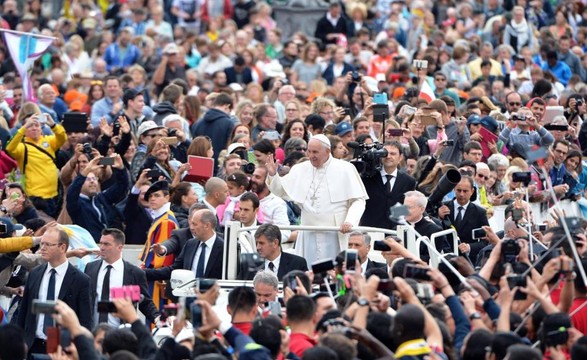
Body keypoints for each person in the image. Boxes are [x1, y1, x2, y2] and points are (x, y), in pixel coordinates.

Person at [266, 135, 368, 264]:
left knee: (336, 271)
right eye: (309, 151)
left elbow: (358, 200)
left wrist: (350, 221)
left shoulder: (345, 169)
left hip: (336, 233)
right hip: (308, 234)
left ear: (327, 151)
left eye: (315, 152)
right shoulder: (300, 168)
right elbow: (281, 191)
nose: (311, 156)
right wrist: (272, 175)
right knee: (307, 271)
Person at [16, 227, 93, 355]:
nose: (42, 248)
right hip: (33, 344)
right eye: (42, 244)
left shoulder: (81, 280)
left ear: (62, 247)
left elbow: (85, 320)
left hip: (61, 347)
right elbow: (24, 311)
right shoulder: (35, 273)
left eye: (48, 244)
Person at [84, 228, 159, 326]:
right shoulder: (90, 268)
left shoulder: (133, 273)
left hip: (121, 334)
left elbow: (144, 302)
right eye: (101, 243)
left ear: (119, 247)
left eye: (106, 244)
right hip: (93, 333)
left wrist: (157, 318)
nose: (101, 247)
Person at [5, 113, 66, 219]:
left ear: (41, 128)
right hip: (36, 196)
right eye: (30, 126)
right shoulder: (22, 147)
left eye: (36, 125)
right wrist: (23, 127)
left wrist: (52, 124)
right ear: (25, 131)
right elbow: (9, 148)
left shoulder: (49, 141)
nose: (34, 128)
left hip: (54, 194)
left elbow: (63, 138)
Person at [144, 209, 224, 282]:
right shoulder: (190, 244)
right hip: (188, 295)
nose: (191, 228)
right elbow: (174, 270)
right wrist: (142, 272)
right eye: (191, 223)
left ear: (207, 225)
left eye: (194, 224)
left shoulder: (224, 248)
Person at [66, 154, 129, 242]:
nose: (92, 181)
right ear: (81, 183)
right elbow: (72, 193)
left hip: (108, 246)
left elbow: (121, 186)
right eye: (88, 179)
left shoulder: (102, 198)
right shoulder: (77, 204)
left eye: (94, 179)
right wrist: (86, 170)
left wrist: (120, 169)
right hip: (88, 248)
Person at [138, 180, 179, 310]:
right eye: (150, 196)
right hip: (153, 276)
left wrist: (147, 271)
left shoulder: (166, 221)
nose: (152, 199)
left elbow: (162, 259)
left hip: (157, 279)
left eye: (157, 195)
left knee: (155, 316)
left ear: (167, 197)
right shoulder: (161, 218)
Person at [360, 140, 416, 230]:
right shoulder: (368, 177)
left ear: (400, 157)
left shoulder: (408, 181)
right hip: (370, 229)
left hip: (396, 231)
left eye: (393, 154)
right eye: (385, 153)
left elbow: (405, 206)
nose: (388, 156)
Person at [438, 176, 490, 262]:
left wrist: (469, 247)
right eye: (459, 190)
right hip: (445, 258)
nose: (461, 194)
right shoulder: (443, 208)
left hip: (468, 260)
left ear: (472, 191)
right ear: (454, 189)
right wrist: (439, 218)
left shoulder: (479, 212)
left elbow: (485, 241)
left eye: (465, 191)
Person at [403, 190, 452, 262]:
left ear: (422, 209)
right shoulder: (398, 226)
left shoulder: (434, 231)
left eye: (409, 207)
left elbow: (432, 259)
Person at [191, 93, 234, 166]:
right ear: (227, 106)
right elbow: (229, 149)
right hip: (220, 167)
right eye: (230, 110)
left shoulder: (197, 124)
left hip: (198, 166)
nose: (229, 113)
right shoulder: (229, 123)